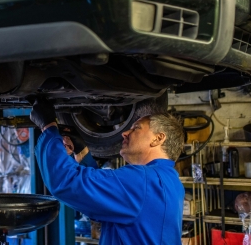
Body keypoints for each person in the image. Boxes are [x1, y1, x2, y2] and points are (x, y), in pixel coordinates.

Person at [30, 97, 185, 245]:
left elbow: (67, 181)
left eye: (136, 128)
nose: (124, 133)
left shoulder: (144, 180)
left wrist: (48, 128)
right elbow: (107, 198)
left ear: (158, 138)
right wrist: (82, 151)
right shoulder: (170, 181)